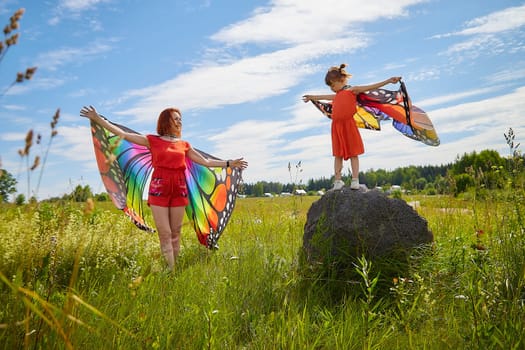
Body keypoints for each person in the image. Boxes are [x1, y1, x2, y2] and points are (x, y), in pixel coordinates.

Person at [80, 105, 248, 270]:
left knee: (175, 233)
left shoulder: (184, 145)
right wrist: (97, 119)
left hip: (179, 191)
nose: (179, 122)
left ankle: (172, 270)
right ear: (166, 121)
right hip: (159, 190)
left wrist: (229, 163)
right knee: (165, 233)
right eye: (176, 118)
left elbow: (206, 162)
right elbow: (123, 134)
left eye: (180, 119)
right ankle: (170, 269)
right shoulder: (152, 140)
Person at [303, 64, 401, 190]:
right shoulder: (337, 95)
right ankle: (337, 181)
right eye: (330, 87)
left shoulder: (352, 90)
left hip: (348, 125)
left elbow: (371, 86)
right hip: (336, 127)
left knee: (354, 152)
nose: (332, 89)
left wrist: (388, 80)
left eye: (332, 85)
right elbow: (322, 96)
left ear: (341, 80)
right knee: (337, 154)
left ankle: (355, 180)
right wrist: (311, 97)